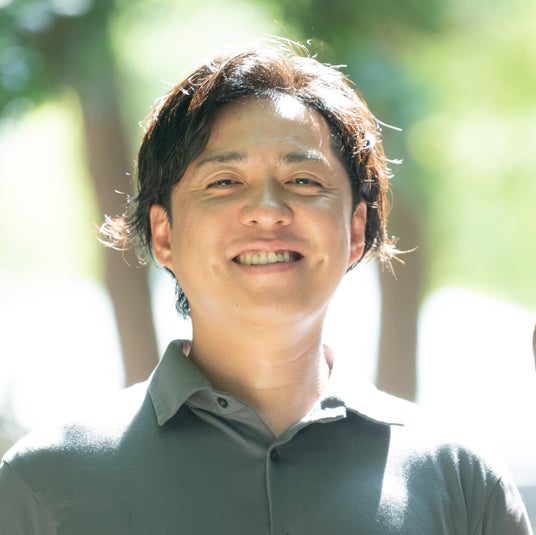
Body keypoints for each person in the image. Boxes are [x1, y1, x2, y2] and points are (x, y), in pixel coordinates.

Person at [0, 40, 532, 534]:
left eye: (303, 180)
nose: (268, 211)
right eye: (224, 182)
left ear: (354, 230)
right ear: (164, 235)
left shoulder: (461, 481)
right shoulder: (44, 485)